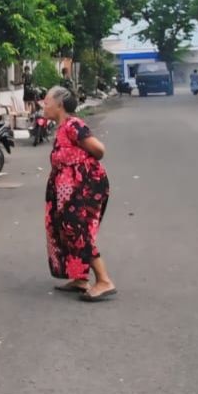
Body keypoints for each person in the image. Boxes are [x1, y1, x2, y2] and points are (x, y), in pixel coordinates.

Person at [42, 85, 116, 302]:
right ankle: (80, 278)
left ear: (59, 104)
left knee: (76, 229)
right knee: (64, 229)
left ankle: (104, 280)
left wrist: (77, 168)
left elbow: (99, 150)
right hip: (68, 188)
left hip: (85, 186)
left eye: (46, 102)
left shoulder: (74, 125)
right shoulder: (62, 127)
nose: (43, 106)